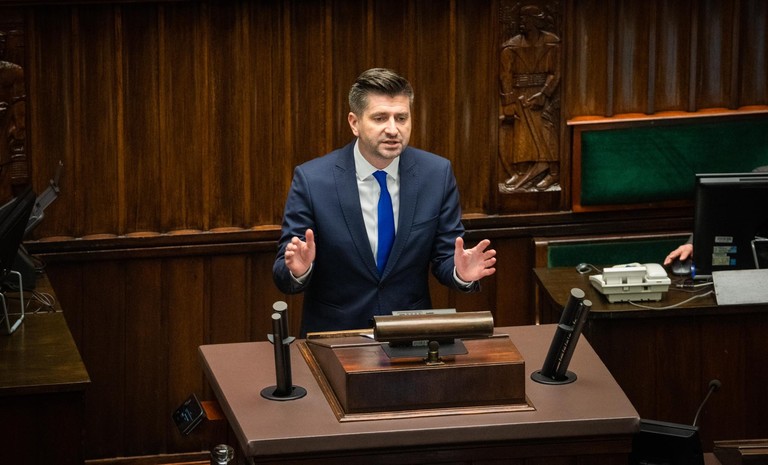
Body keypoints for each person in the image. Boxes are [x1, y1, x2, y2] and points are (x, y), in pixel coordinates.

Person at [273, 68, 497, 336]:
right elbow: (283, 271)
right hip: (335, 335)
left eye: (401, 118)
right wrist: (299, 270)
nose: (393, 129)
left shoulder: (436, 174)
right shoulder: (312, 180)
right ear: (354, 123)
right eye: (380, 118)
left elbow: (446, 256)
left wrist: (461, 273)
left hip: (409, 333)